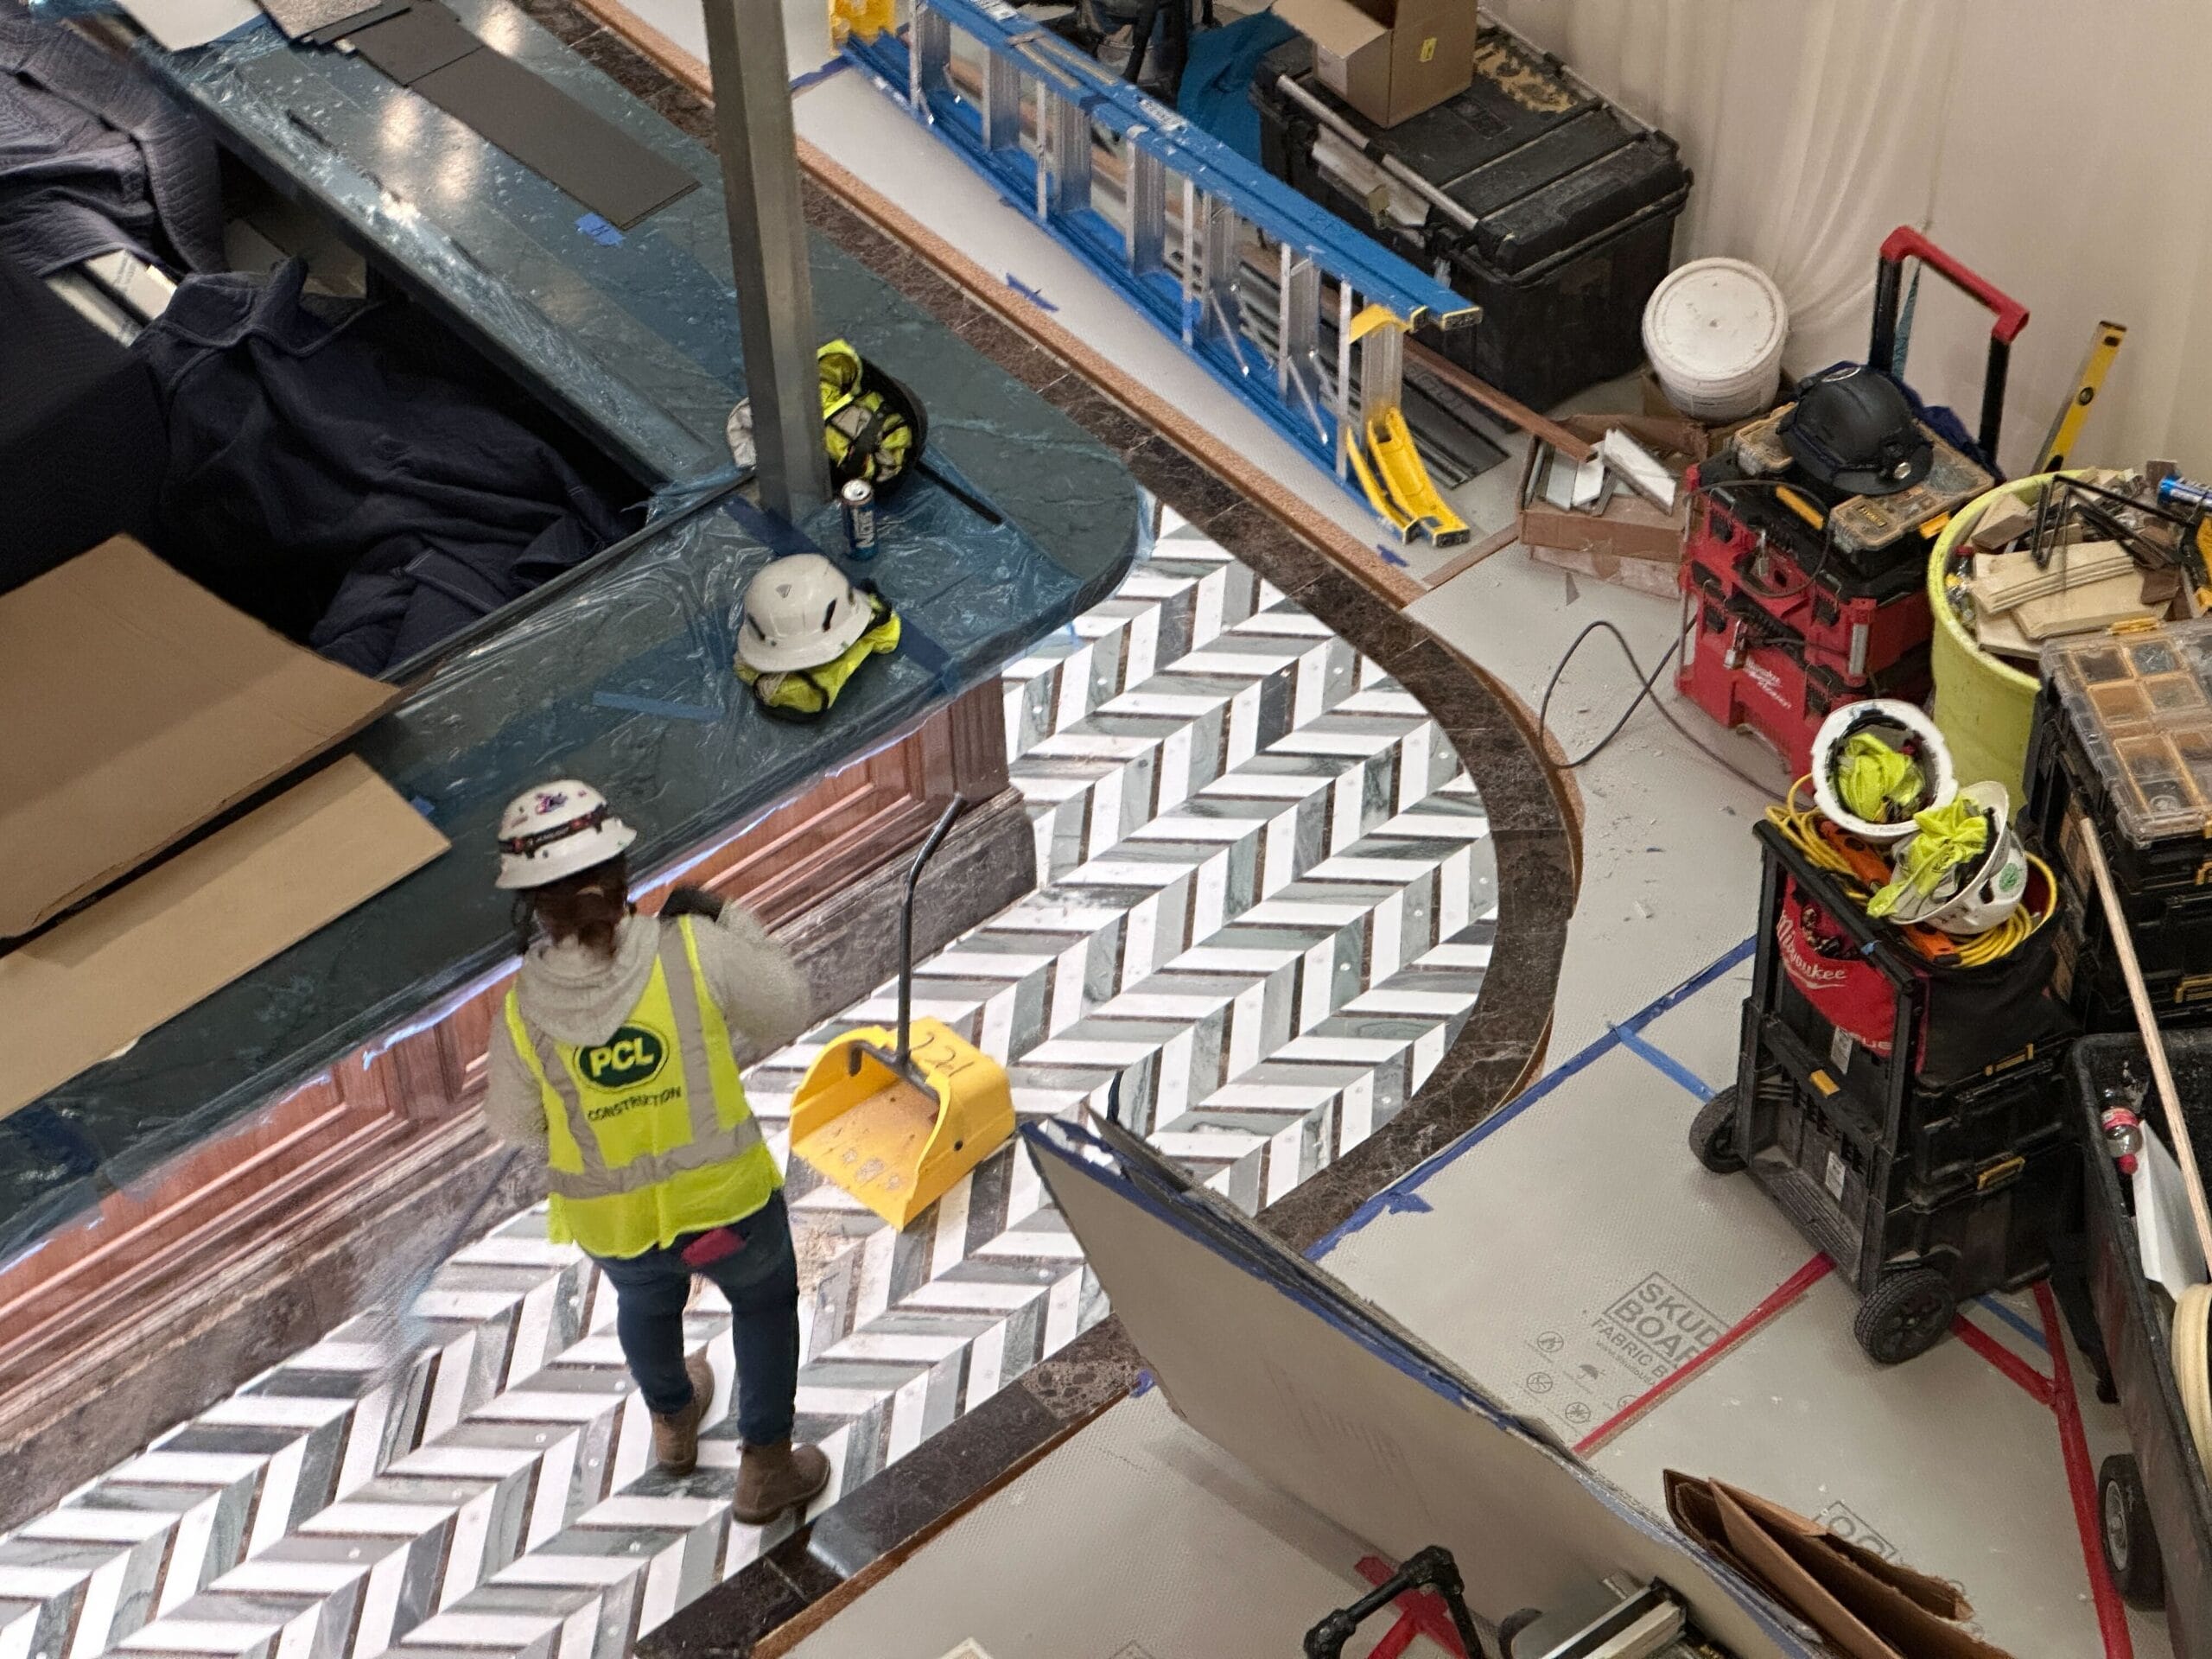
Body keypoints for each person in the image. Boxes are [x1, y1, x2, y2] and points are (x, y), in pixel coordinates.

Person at [482, 779, 832, 1523]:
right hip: (725, 1210)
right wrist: (726, 914)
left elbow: (515, 1126)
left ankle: (674, 1424)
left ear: (532, 905)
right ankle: (766, 1467)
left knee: (645, 1304)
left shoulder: (523, 1009)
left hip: (615, 1225)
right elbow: (787, 1007)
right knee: (764, 1307)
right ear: (620, 872)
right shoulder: (692, 950)